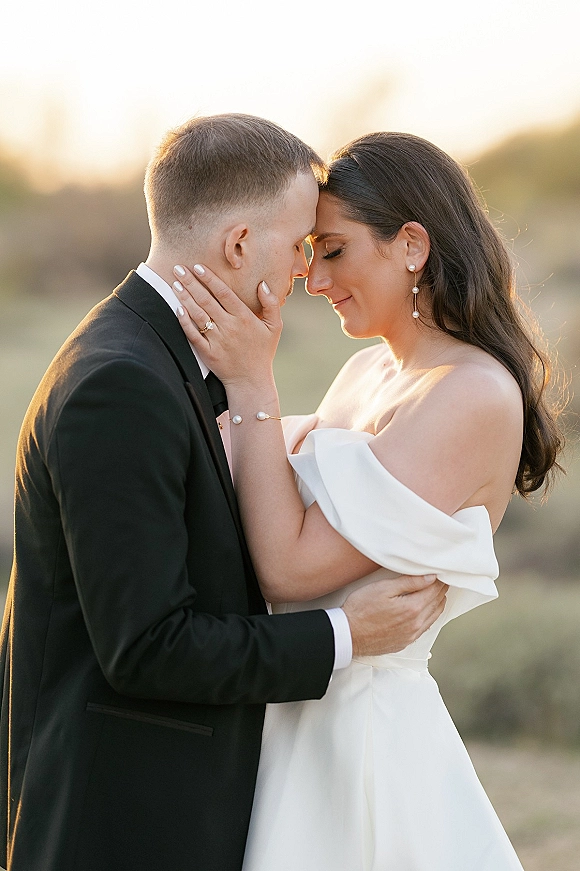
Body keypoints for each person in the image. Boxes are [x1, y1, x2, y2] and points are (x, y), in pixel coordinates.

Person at [0, 116, 448, 871]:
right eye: (300, 242)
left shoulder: (156, 357)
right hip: (114, 821)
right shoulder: (121, 383)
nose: (307, 271)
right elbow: (146, 646)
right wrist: (346, 634)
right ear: (240, 244)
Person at [174, 131, 564, 870]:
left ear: (411, 244)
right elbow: (251, 481)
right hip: (292, 718)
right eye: (310, 254)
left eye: (334, 250)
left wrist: (256, 383)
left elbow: (290, 565)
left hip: (365, 744)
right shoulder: (362, 372)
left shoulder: (472, 393)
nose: (313, 279)